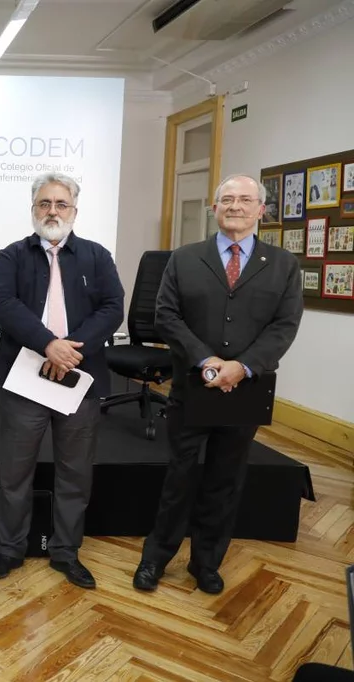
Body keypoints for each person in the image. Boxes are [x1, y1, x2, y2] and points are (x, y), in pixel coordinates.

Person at [133, 174, 303, 595]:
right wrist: (206, 360)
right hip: (193, 385)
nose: (236, 206)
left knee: (226, 480)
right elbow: (166, 315)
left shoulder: (283, 265)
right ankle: (155, 558)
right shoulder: (185, 258)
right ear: (214, 208)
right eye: (227, 199)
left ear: (261, 210)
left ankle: (206, 562)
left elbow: (284, 326)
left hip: (245, 389)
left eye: (246, 200)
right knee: (180, 477)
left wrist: (242, 367)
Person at [0, 173, 124, 589]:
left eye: (61, 204)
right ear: (33, 209)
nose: (52, 211)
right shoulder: (11, 256)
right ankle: (9, 549)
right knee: (15, 472)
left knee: (75, 472)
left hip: (79, 377)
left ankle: (65, 551)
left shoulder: (97, 256)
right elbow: (4, 306)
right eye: (45, 203)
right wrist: (49, 345)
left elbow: (113, 307)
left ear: (74, 211)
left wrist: (69, 349)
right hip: (25, 376)